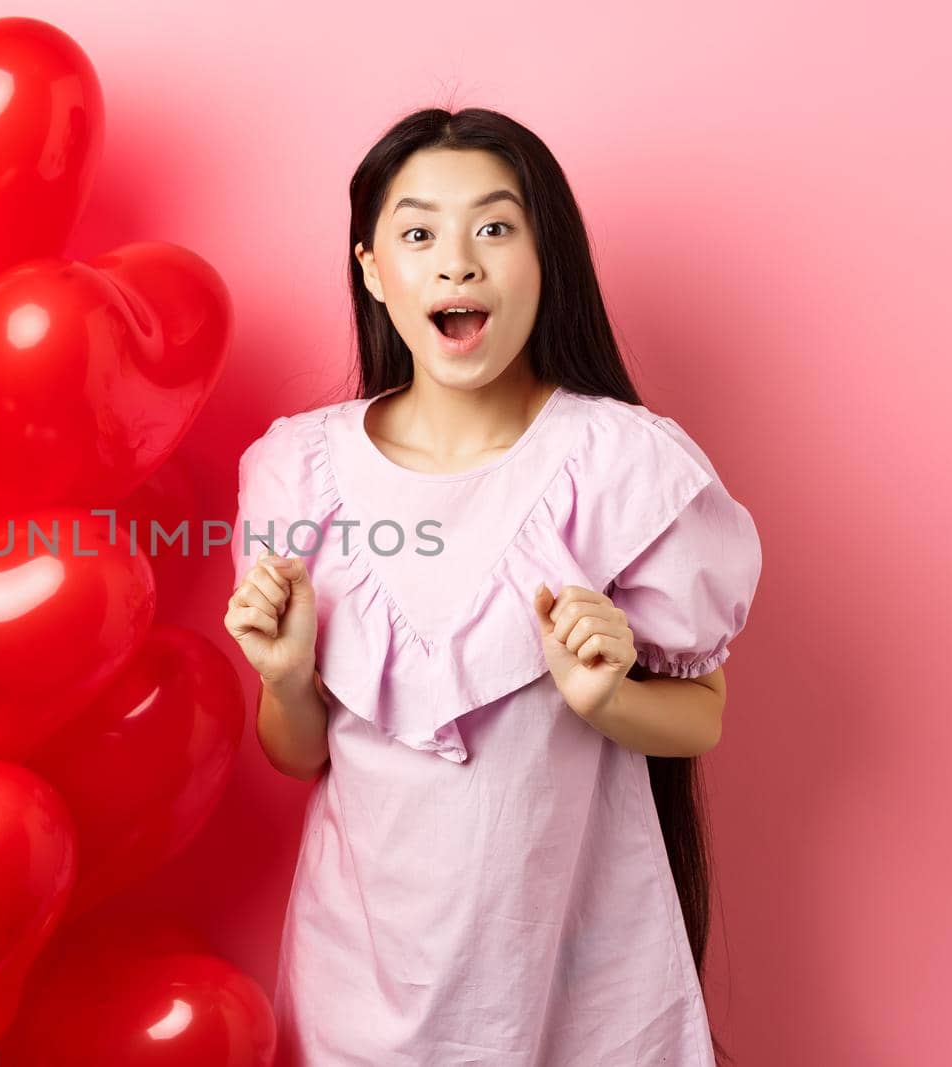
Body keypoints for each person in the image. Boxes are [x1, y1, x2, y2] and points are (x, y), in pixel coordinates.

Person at [222, 107, 763, 1066]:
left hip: (580, 986)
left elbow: (703, 715)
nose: (457, 262)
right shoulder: (295, 473)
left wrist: (608, 697)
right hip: (358, 989)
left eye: (495, 227)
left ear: (544, 257)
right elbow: (296, 754)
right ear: (372, 269)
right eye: (420, 232)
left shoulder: (624, 465)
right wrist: (285, 675)